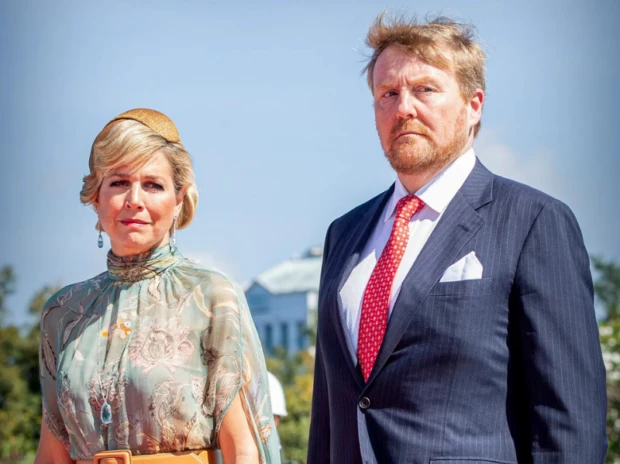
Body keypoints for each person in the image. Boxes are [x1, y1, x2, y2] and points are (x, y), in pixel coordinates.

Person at [308, 13, 608, 464]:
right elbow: (329, 416)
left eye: (425, 89)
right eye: (388, 93)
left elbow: (569, 421)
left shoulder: (534, 221)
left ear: (474, 105)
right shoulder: (345, 234)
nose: (404, 108)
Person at [35, 108, 280, 464]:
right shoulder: (62, 312)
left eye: (153, 185)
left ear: (179, 199)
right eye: (119, 182)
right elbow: (52, 453)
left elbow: (243, 448)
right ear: (95, 197)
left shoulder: (211, 295)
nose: (134, 199)